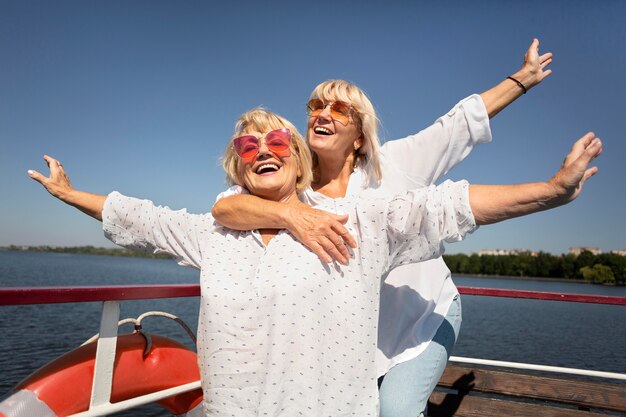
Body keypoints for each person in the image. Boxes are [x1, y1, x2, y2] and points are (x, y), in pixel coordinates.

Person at [27, 108, 601, 417]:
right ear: (236, 168)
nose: (263, 152)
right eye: (248, 148)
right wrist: (70, 195)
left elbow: (444, 207)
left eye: (277, 141)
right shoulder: (212, 232)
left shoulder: (356, 222)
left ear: (299, 160)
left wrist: (551, 190)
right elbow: (140, 219)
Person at [211, 39, 553, 416]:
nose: (323, 114)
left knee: (395, 410)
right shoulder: (296, 187)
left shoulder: (393, 164)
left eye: (340, 109)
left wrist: (522, 78)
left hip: (423, 315)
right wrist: (290, 215)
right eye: (316, 106)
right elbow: (227, 207)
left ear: (359, 135)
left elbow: (458, 126)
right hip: (362, 333)